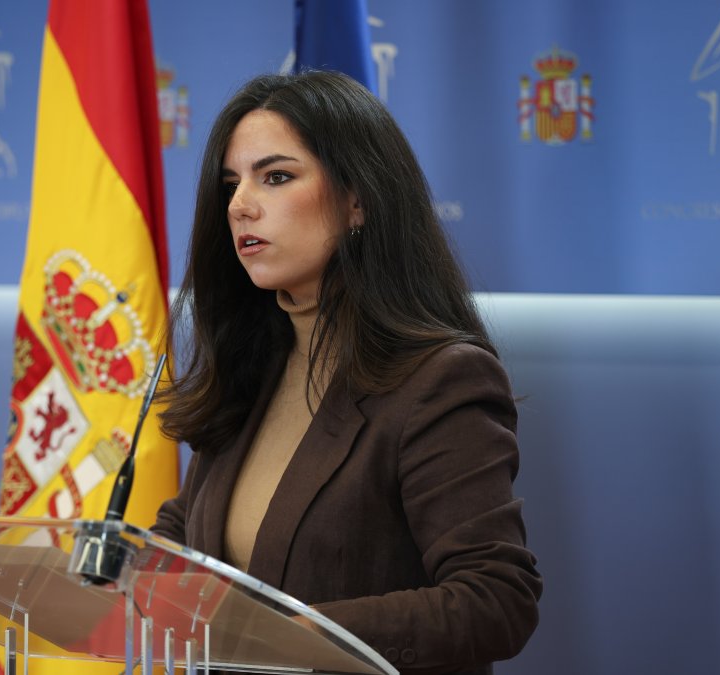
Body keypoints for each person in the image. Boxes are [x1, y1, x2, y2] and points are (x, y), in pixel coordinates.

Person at [151, 71, 541, 674]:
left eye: (275, 177)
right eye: (232, 183)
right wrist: (108, 571)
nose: (239, 205)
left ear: (357, 199)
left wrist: (294, 632)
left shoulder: (440, 380)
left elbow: (495, 600)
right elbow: (188, 531)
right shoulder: (252, 364)